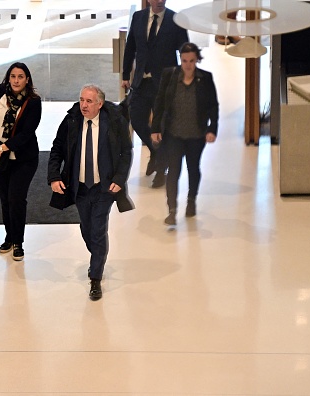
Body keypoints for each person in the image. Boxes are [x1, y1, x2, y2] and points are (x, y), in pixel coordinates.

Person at [48, 84, 133, 301]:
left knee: (98, 230)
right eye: (81, 100)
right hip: (80, 188)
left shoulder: (113, 122)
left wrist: (119, 179)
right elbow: (57, 148)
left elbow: (126, 151)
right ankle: (97, 256)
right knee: (87, 229)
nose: (83, 105)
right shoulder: (72, 121)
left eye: (88, 101)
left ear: (99, 104)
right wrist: (54, 177)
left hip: (103, 188)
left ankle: (95, 278)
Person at [121, 0, 189, 188]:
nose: (159, 0)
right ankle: (156, 153)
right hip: (142, 81)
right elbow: (130, 47)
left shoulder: (176, 19)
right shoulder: (139, 17)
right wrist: (126, 74)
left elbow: (185, 50)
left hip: (165, 83)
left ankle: (162, 171)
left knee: (163, 126)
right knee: (136, 119)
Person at [151, 43, 219, 225]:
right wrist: (155, 128)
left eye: (191, 61)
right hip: (173, 134)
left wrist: (213, 128)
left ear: (197, 59)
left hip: (196, 135)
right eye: (184, 61)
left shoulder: (205, 78)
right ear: (180, 59)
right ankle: (172, 210)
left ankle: (191, 201)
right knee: (173, 170)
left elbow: (213, 105)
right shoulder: (170, 75)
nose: (188, 65)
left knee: (193, 168)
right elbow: (160, 101)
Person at [0, 62, 42, 259]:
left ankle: (18, 242)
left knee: (16, 199)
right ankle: (9, 237)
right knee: (4, 198)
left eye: (20, 77)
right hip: (1, 158)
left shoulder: (34, 102)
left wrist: (1, 148)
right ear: (8, 78)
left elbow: (26, 134)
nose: (16, 80)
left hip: (23, 158)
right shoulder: (1, 91)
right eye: (13, 76)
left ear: (27, 79)